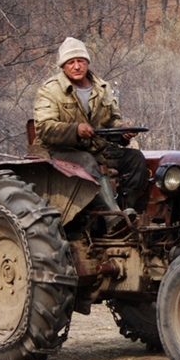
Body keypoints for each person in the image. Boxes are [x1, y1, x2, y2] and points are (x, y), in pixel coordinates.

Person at [33, 37, 147, 233]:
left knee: (135, 159)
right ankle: (112, 217)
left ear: (87, 63)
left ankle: (128, 212)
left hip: (97, 149)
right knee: (86, 161)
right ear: (63, 66)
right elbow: (44, 128)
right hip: (59, 152)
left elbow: (112, 122)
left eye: (81, 61)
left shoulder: (101, 87)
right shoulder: (49, 90)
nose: (77, 66)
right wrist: (75, 130)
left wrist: (123, 131)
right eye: (71, 62)